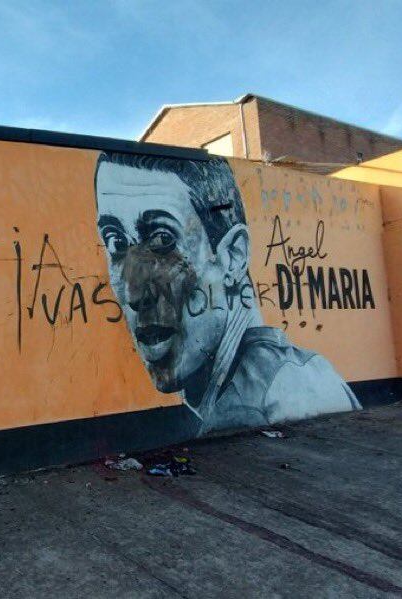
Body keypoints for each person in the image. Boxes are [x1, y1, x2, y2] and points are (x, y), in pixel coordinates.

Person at [93, 152, 360, 433]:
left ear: (233, 255)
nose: (135, 295)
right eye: (115, 242)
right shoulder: (235, 397)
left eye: (163, 239)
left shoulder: (274, 399)